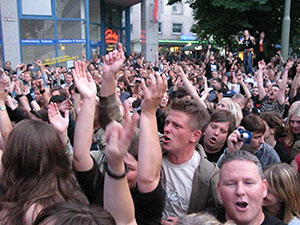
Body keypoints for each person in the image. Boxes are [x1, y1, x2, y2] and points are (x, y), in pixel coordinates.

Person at [72, 43, 166, 225]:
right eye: (116, 165)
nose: (120, 170)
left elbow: (149, 178)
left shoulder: (149, 204)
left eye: (128, 168)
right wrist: (90, 98)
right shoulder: (101, 188)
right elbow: (80, 157)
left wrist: (148, 114)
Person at [161, 98, 220, 224]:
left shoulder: (208, 175)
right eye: (167, 123)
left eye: (176, 126)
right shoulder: (152, 150)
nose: (167, 129)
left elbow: (218, 216)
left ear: (195, 136)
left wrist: (184, 223)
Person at [211, 150, 286, 225]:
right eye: (231, 184)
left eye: (248, 183)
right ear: (219, 190)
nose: (240, 191)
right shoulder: (203, 221)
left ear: (264, 188)